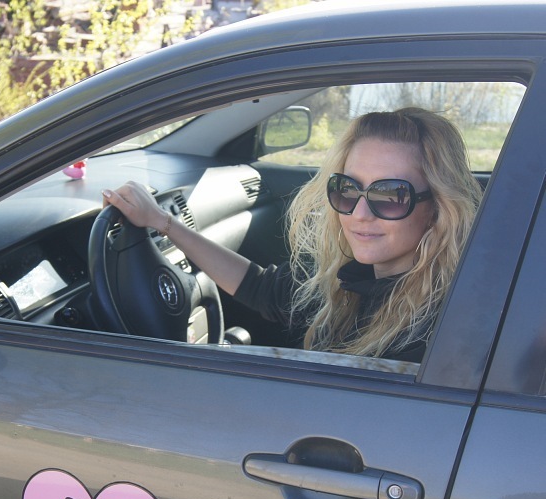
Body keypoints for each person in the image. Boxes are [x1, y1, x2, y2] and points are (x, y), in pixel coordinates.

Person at [101, 107, 481, 363]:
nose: (359, 213)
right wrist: (163, 223)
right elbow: (260, 287)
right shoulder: (353, 282)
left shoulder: (436, 332)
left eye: (390, 195)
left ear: (438, 208)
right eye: (347, 189)